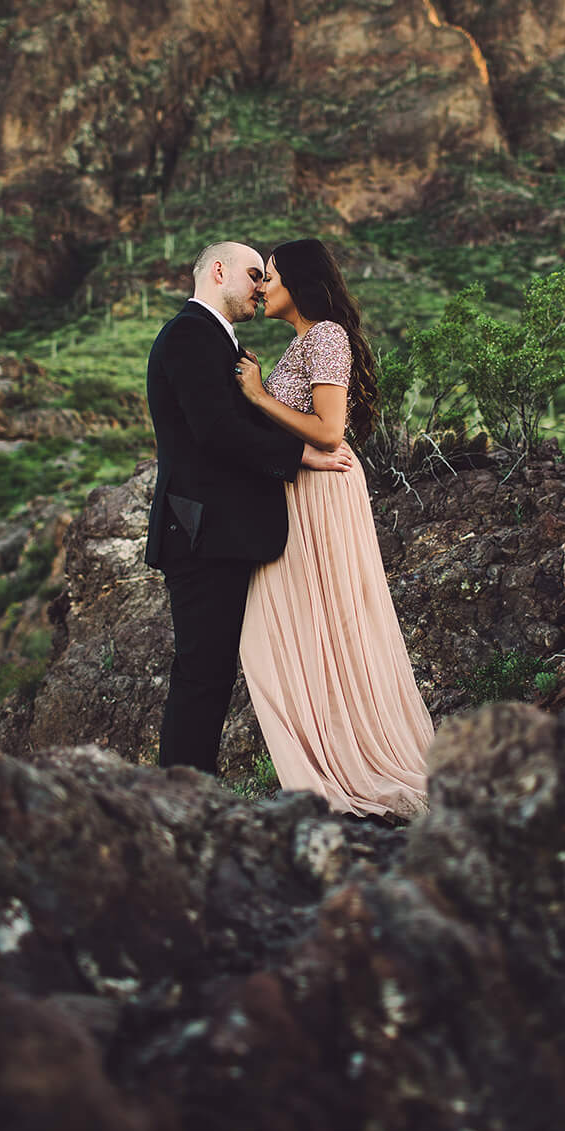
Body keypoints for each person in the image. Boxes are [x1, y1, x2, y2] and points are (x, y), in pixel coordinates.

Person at [234, 238, 435, 818]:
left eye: (268, 276)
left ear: (298, 281)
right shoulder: (303, 342)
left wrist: (255, 395)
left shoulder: (325, 336)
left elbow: (327, 431)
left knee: (328, 622)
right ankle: (327, 754)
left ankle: (349, 759)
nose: (261, 287)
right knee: (301, 626)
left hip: (320, 489)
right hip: (299, 489)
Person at [145, 241, 354, 774]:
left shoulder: (220, 341)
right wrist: (301, 454)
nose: (261, 287)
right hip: (202, 532)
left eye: (269, 276)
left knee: (210, 674)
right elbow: (215, 431)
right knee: (201, 673)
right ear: (219, 272)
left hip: (229, 532)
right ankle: (182, 799)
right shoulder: (191, 333)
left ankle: (191, 795)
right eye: (254, 274)